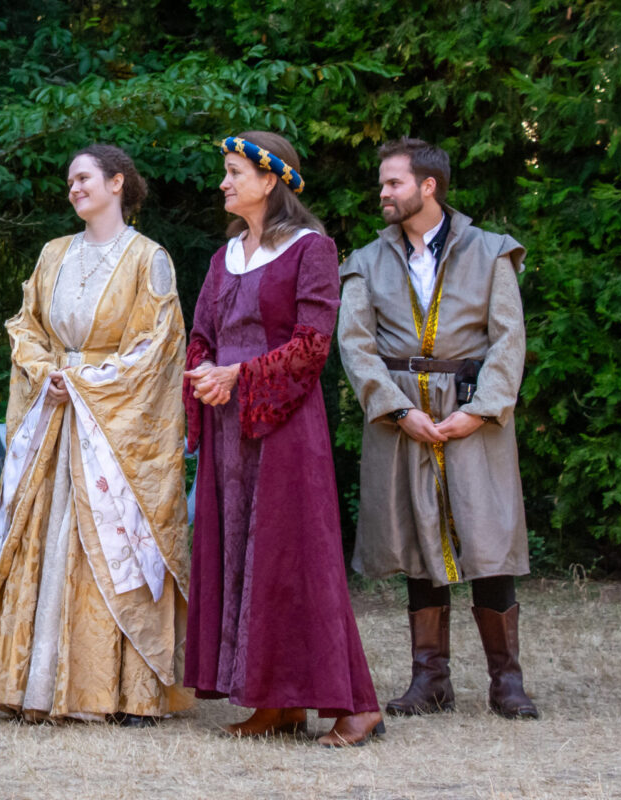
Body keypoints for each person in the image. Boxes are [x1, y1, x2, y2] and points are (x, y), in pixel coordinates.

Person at [0, 144, 192, 726]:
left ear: (117, 183)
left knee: (111, 543)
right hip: (54, 419)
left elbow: (156, 348)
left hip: (109, 428)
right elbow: (25, 326)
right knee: (43, 543)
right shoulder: (53, 254)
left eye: (83, 178)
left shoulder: (149, 260)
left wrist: (83, 382)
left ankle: (116, 692)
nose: (73, 187)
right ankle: (35, 686)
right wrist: (48, 373)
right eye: (69, 180)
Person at [183, 132, 383, 747]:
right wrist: (205, 372)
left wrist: (239, 375)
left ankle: (356, 705)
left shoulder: (311, 249)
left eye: (234, 172)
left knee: (300, 560)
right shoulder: (224, 258)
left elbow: (312, 345)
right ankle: (275, 703)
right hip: (229, 431)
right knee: (247, 562)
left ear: (270, 180)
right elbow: (201, 333)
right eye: (225, 171)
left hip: (286, 427)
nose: (224, 182)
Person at [337, 137, 539, 720]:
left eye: (394, 183)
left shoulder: (491, 251)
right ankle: (431, 681)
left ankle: (507, 682)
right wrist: (398, 410)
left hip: (474, 412)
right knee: (416, 540)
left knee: (489, 536)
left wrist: (481, 410)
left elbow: (509, 338)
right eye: (383, 183)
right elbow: (355, 345)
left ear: (429, 186)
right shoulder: (366, 260)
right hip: (401, 415)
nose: (384, 193)